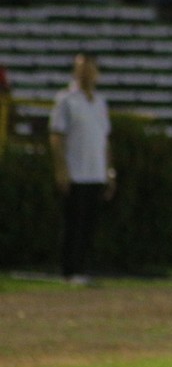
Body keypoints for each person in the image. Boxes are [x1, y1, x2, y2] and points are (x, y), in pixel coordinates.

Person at [49, 52, 115, 285]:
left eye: (90, 69)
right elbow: (57, 136)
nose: (86, 73)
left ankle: (82, 269)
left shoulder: (100, 102)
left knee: (89, 224)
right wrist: (61, 170)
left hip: (95, 171)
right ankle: (69, 270)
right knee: (73, 224)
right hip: (76, 171)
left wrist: (109, 170)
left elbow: (104, 139)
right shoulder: (66, 99)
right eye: (82, 68)